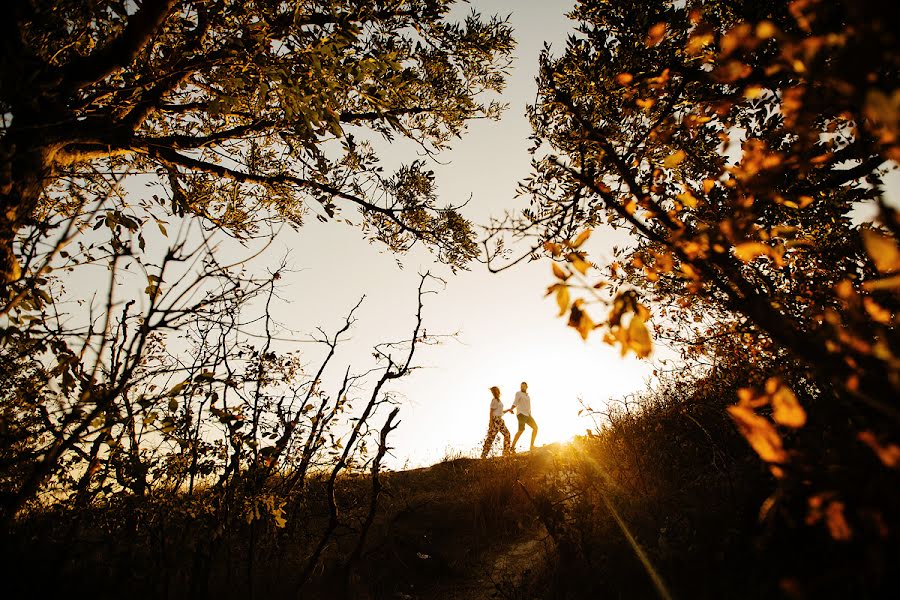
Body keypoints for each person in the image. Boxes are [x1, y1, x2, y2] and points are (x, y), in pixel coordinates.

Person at [481, 386, 511, 459]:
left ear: (499, 391)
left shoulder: (499, 401)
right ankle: (484, 454)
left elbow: (500, 412)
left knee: (507, 434)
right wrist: (491, 422)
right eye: (494, 391)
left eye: (497, 391)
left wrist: (508, 410)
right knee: (491, 437)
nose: (496, 392)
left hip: (500, 420)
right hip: (495, 420)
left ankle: (506, 452)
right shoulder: (494, 400)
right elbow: (491, 412)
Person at [509, 381, 538, 452]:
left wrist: (530, 414)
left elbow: (528, 406)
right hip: (521, 414)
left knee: (535, 428)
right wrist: (511, 408)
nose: (522, 387)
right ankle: (512, 448)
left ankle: (532, 446)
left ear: (526, 387)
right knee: (521, 430)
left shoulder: (527, 396)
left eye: (523, 386)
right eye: (521, 386)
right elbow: (515, 402)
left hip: (528, 415)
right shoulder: (518, 393)